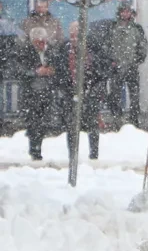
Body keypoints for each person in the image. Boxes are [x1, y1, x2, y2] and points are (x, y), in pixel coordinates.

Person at [59, 21, 109, 160]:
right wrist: (68, 89)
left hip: (90, 92)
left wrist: (92, 85)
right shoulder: (64, 50)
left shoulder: (93, 49)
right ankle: (72, 156)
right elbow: (60, 72)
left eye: (77, 35)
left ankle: (94, 154)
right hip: (71, 93)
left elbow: (101, 69)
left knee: (92, 124)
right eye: (72, 35)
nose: (75, 38)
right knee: (72, 126)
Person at [18, 28, 62, 161]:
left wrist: (51, 71)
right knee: (34, 122)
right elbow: (20, 71)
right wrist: (36, 72)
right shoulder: (25, 52)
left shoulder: (52, 51)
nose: (41, 44)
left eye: (43, 41)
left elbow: (59, 68)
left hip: (47, 91)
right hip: (32, 93)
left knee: (43, 122)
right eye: (38, 42)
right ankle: (35, 150)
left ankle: (38, 146)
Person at [106, 4, 147, 125]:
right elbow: (107, 45)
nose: (125, 14)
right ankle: (117, 119)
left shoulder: (137, 28)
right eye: (123, 11)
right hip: (116, 68)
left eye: (128, 11)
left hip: (131, 67)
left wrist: (137, 60)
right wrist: (111, 60)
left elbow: (143, 46)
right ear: (120, 13)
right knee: (115, 95)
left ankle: (134, 120)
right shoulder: (112, 27)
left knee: (134, 96)